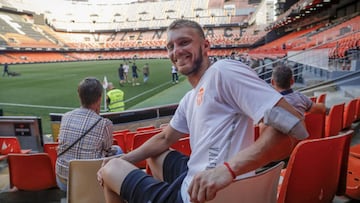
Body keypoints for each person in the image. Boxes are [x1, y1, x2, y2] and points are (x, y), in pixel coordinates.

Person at [97, 19, 308, 203]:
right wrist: (126, 159)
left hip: (206, 194)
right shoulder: (190, 98)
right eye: (171, 46)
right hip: (203, 178)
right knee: (156, 154)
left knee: (110, 170)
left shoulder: (223, 72)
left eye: (184, 42)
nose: (176, 51)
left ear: (206, 45)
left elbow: (292, 125)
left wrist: (228, 169)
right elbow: (164, 138)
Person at [56, 77, 121, 192]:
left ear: (79, 96)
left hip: (63, 180)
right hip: (89, 183)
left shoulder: (65, 116)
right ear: (99, 98)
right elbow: (107, 150)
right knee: (118, 151)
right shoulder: (104, 123)